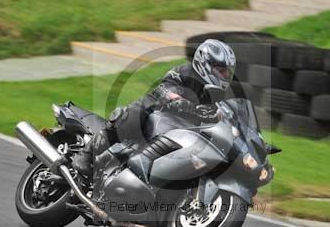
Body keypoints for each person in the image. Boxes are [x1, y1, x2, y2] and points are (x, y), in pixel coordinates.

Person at [73, 39, 236, 185]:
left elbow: (225, 113)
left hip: (182, 133)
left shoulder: (218, 94)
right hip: (158, 117)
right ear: (205, 64)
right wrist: (178, 100)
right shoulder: (184, 72)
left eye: (228, 71)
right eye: (222, 70)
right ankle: (86, 154)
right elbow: (166, 89)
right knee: (131, 115)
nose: (226, 75)